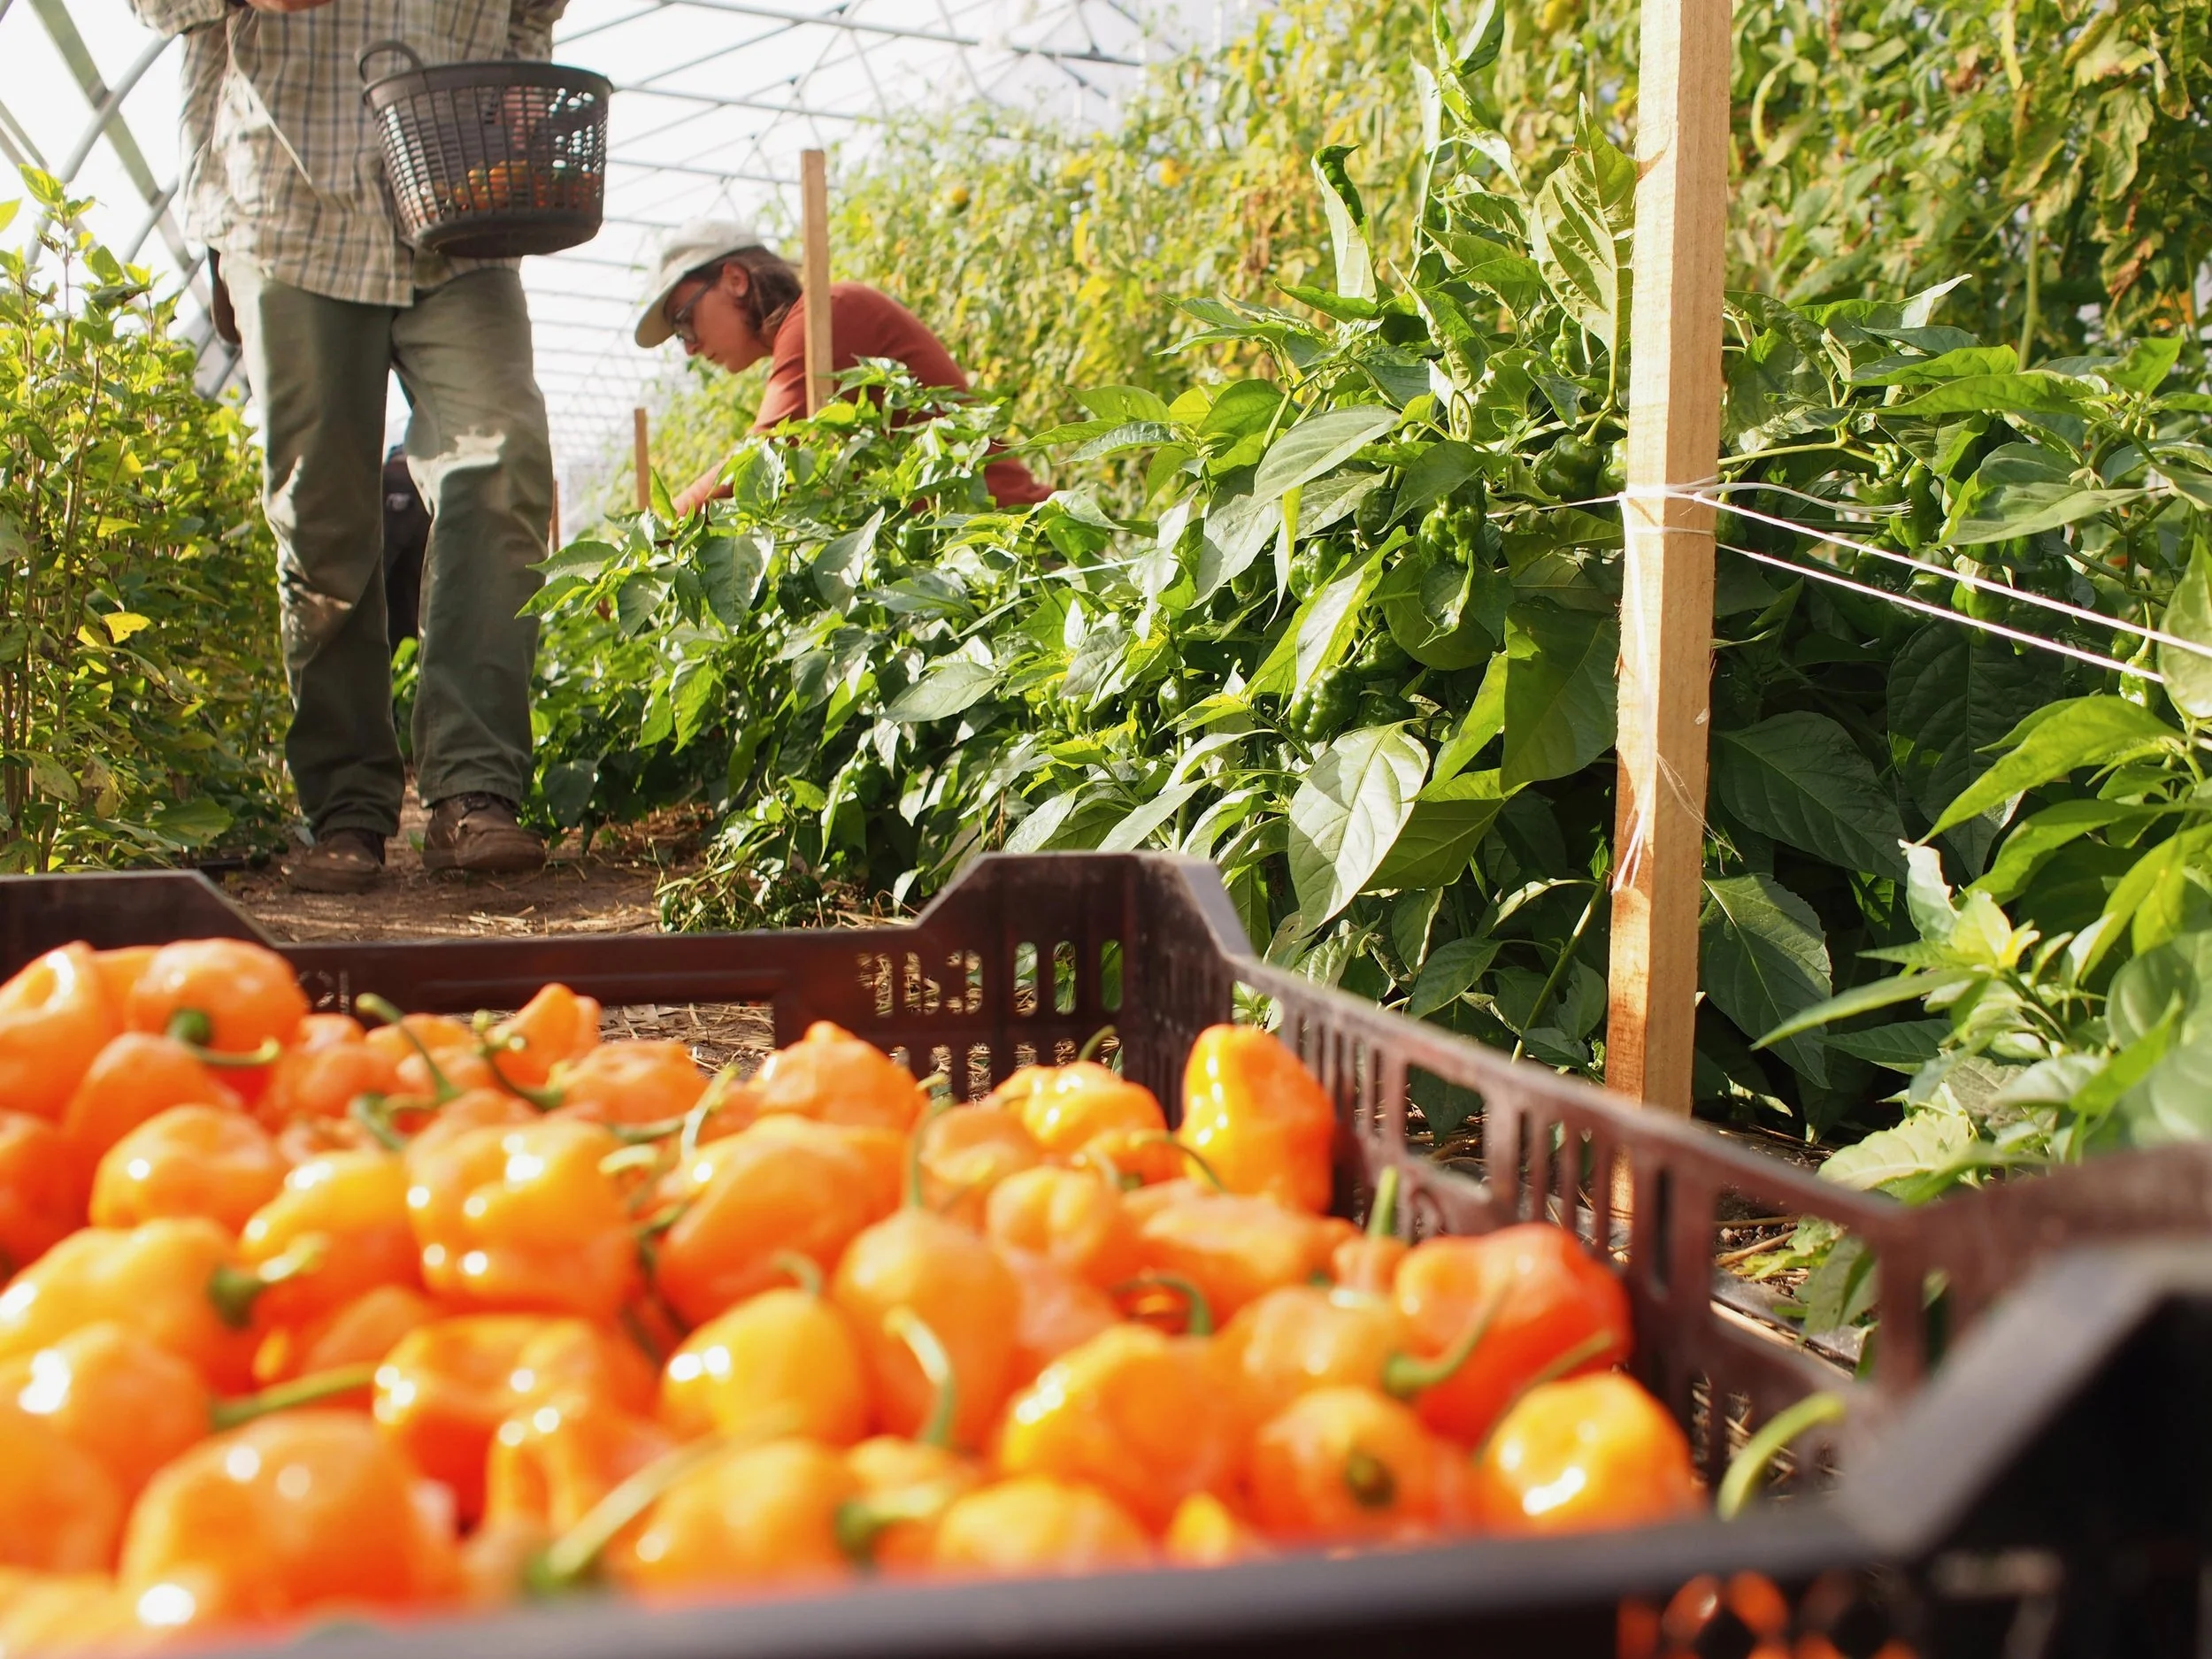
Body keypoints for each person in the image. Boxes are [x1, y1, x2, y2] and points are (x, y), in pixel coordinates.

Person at [130, 0, 558, 893]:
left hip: (458, 206)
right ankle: (348, 811)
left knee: (502, 460)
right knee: (321, 510)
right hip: (291, 207)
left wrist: (520, 81)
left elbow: (532, 9)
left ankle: (473, 793)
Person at [632, 221, 1051, 514]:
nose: (689, 347)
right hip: (978, 555)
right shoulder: (813, 331)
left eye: (685, 319)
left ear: (736, 280)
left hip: (1017, 548)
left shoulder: (823, 318)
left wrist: (651, 543)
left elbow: (762, 458)